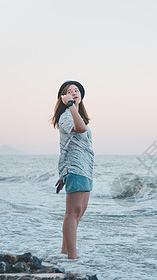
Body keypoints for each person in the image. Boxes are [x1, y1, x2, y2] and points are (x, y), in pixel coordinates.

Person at [51, 80, 94, 259]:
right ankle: (72, 257)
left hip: (85, 168)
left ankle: (65, 252)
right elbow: (81, 129)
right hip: (75, 167)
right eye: (69, 91)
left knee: (79, 212)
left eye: (77, 90)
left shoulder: (76, 115)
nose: (74, 93)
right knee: (72, 212)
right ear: (63, 97)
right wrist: (70, 105)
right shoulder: (66, 116)